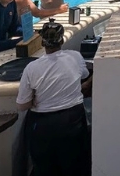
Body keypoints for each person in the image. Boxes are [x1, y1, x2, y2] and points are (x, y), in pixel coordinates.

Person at [16, 19, 91, 176]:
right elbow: (84, 75)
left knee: (45, 169)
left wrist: (36, 99)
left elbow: (22, 105)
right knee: (75, 165)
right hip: (73, 119)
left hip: (43, 125)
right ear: (62, 40)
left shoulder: (32, 68)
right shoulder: (75, 57)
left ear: (43, 42)